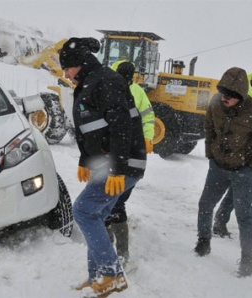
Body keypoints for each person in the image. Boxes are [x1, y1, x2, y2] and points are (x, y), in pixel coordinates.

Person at [59, 37, 146, 296]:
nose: (66, 74)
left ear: (79, 63)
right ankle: (97, 276)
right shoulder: (89, 82)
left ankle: (112, 274)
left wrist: (119, 169)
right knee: (96, 214)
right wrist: (86, 159)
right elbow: (92, 129)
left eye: (68, 68)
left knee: (84, 211)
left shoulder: (104, 80)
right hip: (111, 163)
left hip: (122, 164)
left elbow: (121, 127)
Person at [194, 67, 252, 277]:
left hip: (243, 171)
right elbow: (209, 127)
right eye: (223, 93)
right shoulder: (216, 104)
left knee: (244, 215)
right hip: (218, 168)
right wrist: (211, 154)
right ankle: (203, 241)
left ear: (241, 95)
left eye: (230, 96)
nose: (225, 98)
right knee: (205, 204)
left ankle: (249, 261)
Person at [212, 67, 252, 237]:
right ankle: (238, 228)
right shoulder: (241, 96)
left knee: (239, 190)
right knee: (241, 191)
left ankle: (222, 221)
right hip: (237, 149)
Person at [105, 61, 155, 268]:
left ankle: (112, 252)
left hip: (126, 157)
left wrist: (148, 138)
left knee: (110, 203)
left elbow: (148, 117)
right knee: (114, 203)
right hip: (127, 158)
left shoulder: (126, 92)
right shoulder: (119, 91)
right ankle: (116, 252)